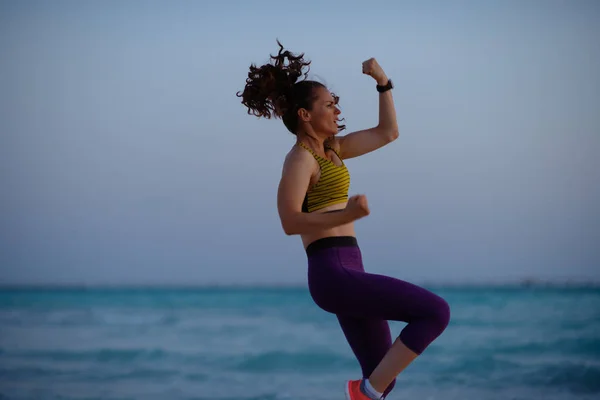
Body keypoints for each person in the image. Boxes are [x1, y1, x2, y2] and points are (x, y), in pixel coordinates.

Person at [236, 41, 451, 400]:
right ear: (305, 114)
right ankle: (364, 394)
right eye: (329, 104)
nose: (337, 110)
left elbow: (388, 133)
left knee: (384, 373)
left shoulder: (334, 148)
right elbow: (289, 221)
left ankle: (363, 392)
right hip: (331, 272)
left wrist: (383, 82)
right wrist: (347, 214)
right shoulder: (300, 160)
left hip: (350, 268)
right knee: (435, 313)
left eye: (337, 104)